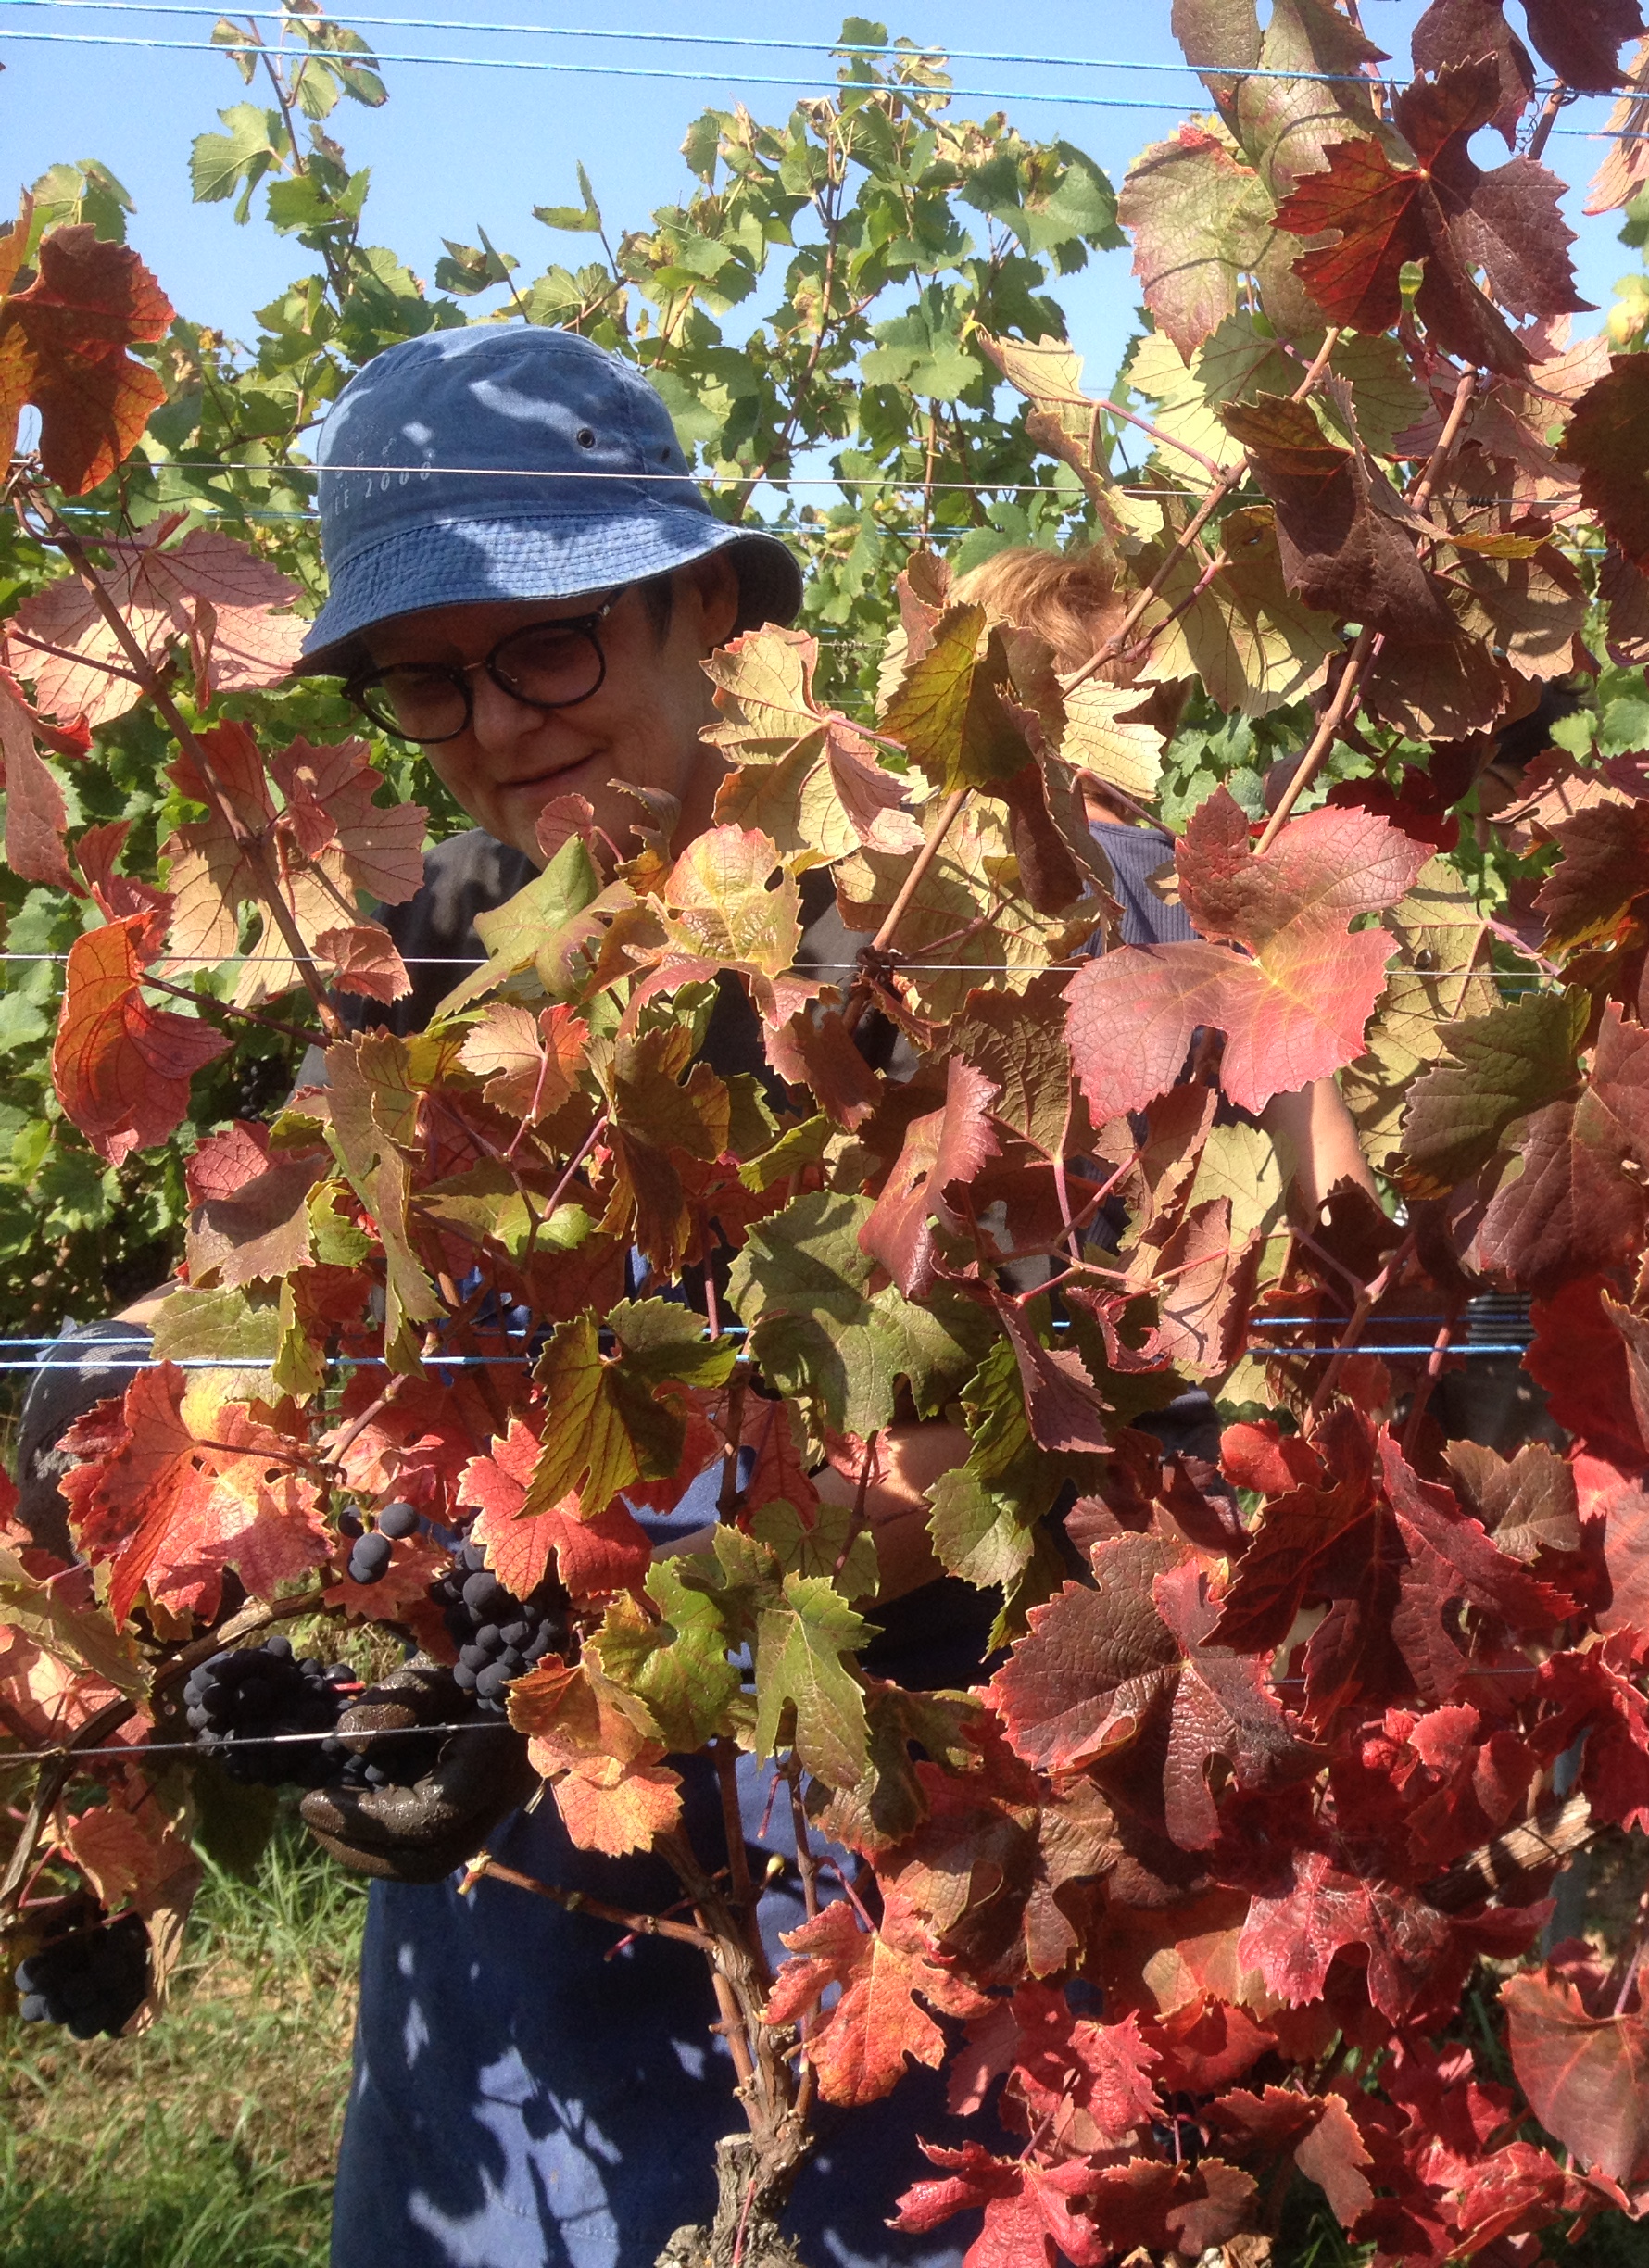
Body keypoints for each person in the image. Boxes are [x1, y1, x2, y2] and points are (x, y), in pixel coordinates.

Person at [16, 323, 1353, 2268]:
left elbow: (1186, 1382)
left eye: (547, 643)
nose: (489, 724)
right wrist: (235, 1505)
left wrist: (691, 1616)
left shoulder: (1007, 909)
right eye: (425, 679)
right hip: (545, 1938)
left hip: (920, 1863)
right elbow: (294, 1322)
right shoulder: (428, 971)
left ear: (705, 606)